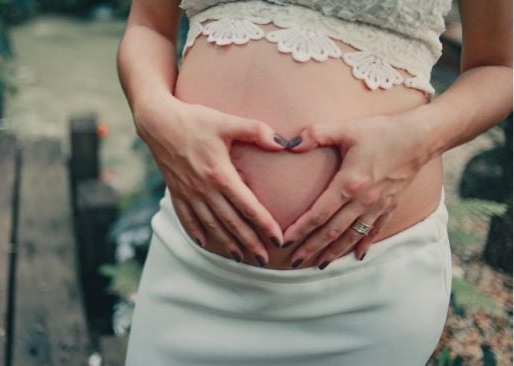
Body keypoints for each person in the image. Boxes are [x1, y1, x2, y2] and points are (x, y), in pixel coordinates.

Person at [117, 0, 512, 364]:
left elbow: (500, 68)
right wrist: (153, 114)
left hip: (366, 290)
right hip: (190, 268)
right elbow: (148, 28)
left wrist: (416, 140)